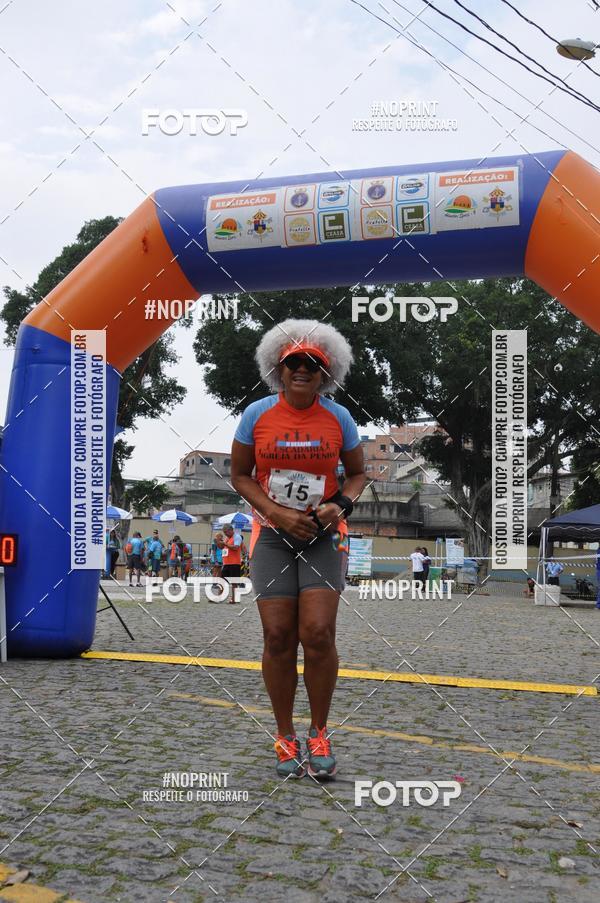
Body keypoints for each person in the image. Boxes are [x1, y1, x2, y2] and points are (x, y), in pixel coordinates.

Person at [230, 319, 366, 779]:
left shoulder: (339, 418)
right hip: (272, 535)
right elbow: (241, 475)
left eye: (313, 364)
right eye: (293, 363)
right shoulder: (257, 415)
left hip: (324, 535)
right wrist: (277, 513)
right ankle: (285, 735)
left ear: (325, 374)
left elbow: (359, 473)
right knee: (277, 636)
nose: (303, 370)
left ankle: (320, 732)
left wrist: (338, 505)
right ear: (279, 369)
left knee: (319, 632)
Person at [216, 525, 243, 603]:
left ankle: (234, 599)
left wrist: (225, 544)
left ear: (231, 530)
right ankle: (218, 597)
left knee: (234, 582)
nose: (225, 534)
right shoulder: (227, 538)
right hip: (226, 563)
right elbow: (222, 547)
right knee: (222, 581)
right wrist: (218, 542)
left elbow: (236, 548)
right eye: (224, 533)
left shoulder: (237, 537)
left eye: (226, 532)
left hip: (234, 563)